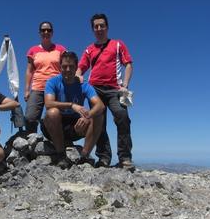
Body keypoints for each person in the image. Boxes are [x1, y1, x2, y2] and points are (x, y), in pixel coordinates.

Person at [76, 13, 134, 169]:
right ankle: (104, 158)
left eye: (102, 25)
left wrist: (125, 85)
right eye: (96, 26)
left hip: (117, 89)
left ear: (107, 27)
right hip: (95, 89)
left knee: (123, 117)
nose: (99, 28)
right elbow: (80, 67)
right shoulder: (89, 49)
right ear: (93, 29)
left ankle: (125, 158)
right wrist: (79, 76)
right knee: (98, 123)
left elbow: (128, 64)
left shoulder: (117, 44)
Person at [43, 51, 105, 169]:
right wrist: (71, 105)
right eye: (64, 66)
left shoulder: (84, 85)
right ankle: (61, 156)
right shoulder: (53, 81)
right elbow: (48, 103)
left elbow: (100, 105)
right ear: (60, 67)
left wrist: (87, 116)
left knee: (98, 115)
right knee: (53, 112)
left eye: (71, 67)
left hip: (75, 126)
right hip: (54, 125)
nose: (67, 69)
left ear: (76, 68)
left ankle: (84, 157)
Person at [24, 21, 67, 133]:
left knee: (55, 116)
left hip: (55, 88)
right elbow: (29, 70)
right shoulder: (33, 50)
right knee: (30, 117)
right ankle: (31, 141)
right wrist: (27, 90)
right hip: (38, 87)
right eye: (43, 30)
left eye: (49, 30)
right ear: (39, 33)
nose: (46, 32)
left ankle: (54, 141)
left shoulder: (60, 49)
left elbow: (67, 66)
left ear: (52, 32)